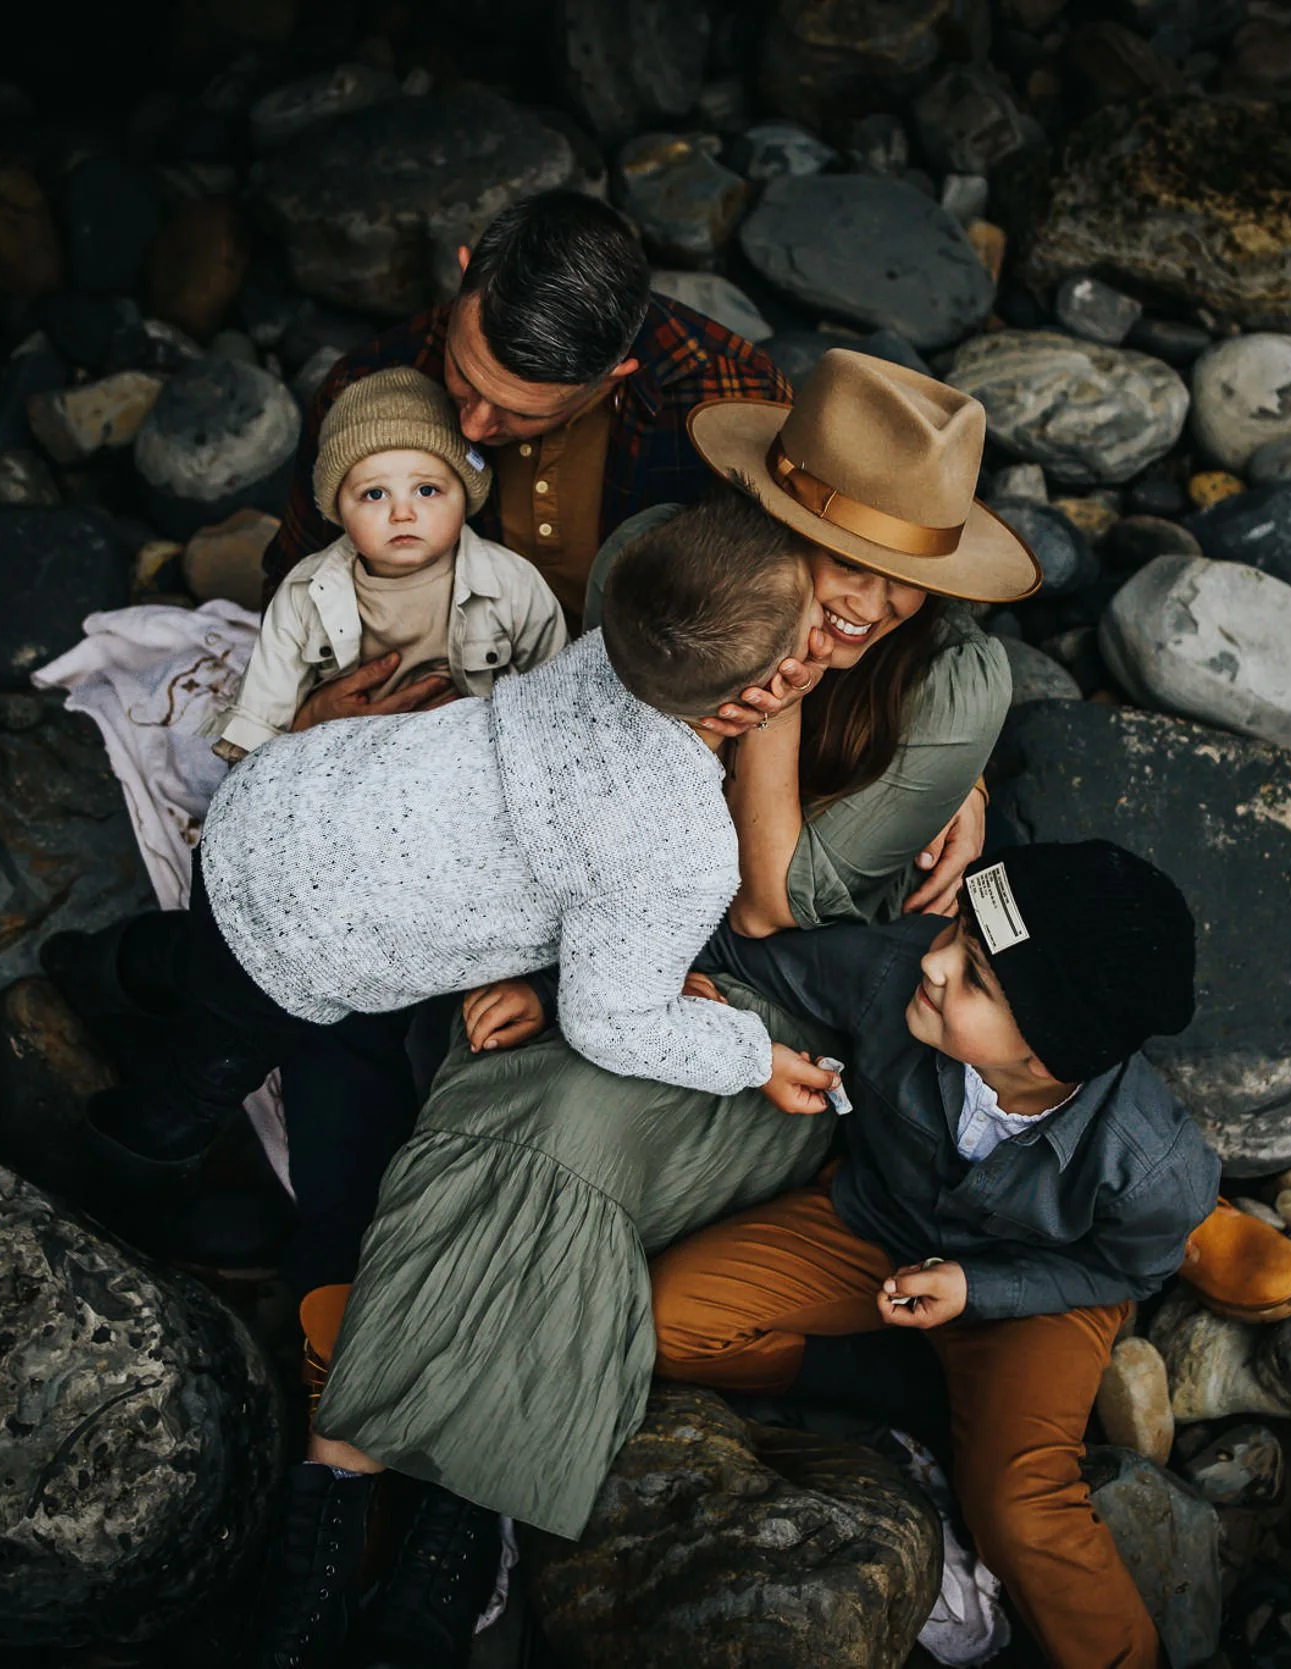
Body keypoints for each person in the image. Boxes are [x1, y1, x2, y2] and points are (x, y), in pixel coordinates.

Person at [249, 353, 1043, 1665]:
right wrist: (512, 952)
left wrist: (786, 683)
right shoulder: (659, 568)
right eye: (846, 560)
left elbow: (774, 907)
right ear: (776, 518)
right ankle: (378, 1505)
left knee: (560, 1126)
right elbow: (550, 779)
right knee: (511, 1079)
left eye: (911, 577)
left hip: (772, 1021)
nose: (875, 604)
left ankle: (412, 1495)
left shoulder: (953, 688)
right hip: (595, 947)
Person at [43, 496, 835, 1284]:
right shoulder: (680, 848)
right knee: (205, 1068)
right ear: (759, 696)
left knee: (196, 952)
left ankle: (90, 969)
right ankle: (118, 1187)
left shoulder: (618, 645)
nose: (822, 643)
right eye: (811, 631)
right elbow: (611, 1021)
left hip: (278, 795)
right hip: (300, 940)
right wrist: (749, 1055)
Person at [647, 842, 1212, 1669]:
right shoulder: (896, 970)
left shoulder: (1152, 1167)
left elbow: (1131, 1271)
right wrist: (689, 1007)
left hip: (1037, 1295)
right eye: (956, 930)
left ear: (1049, 1055)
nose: (938, 962)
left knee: (1020, 1509)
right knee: (671, 1320)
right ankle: (910, 1390)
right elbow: (730, 947)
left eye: (977, 975)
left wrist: (980, 1286)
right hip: (876, 1225)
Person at [267, 190, 789, 658]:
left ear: (614, 375)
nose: (471, 427)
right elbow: (294, 573)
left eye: (522, 413)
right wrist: (312, 706)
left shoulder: (733, 405)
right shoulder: (363, 389)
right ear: (464, 273)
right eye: (463, 377)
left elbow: (781, 609)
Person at [212, 368, 564, 760]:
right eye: (374, 494)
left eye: (427, 490)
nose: (402, 513)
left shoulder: (512, 585)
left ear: (466, 498)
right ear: (338, 513)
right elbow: (258, 722)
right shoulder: (305, 594)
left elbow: (559, 698)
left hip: (481, 762)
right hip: (349, 764)